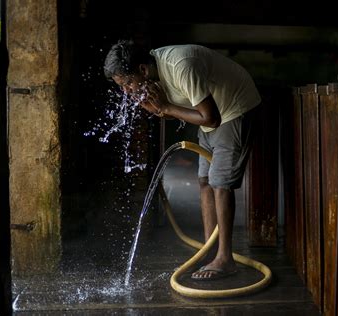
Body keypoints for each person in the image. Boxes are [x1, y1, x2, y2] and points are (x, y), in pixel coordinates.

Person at [103, 40, 261, 280]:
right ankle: (210, 252)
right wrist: (156, 108)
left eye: (126, 83)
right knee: (205, 181)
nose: (125, 91)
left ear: (142, 70)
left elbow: (210, 118)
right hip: (214, 113)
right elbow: (168, 112)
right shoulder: (150, 73)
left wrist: (164, 106)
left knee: (220, 183)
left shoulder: (181, 66)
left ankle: (225, 259)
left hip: (234, 107)